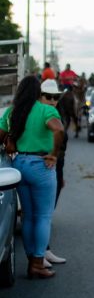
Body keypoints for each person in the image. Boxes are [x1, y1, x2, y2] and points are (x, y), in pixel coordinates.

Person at [0, 75, 64, 279]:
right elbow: (59, 129)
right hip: (40, 166)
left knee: (27, 215)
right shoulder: (46, 110)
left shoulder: (11, 112)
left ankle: (31, 260)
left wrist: (10, 141)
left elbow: (1, 135)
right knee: (43, 216)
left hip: (18, 165)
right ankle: (37, 263)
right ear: (38, 93)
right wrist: (54, 154)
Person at [39, 79, 68, 266]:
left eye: (55, 97)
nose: (52, 100)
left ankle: (45, 250)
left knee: (48, 212)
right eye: (48, 97)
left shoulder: (57, 113)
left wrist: (61, 174)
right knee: (39, 214)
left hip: (57, 166)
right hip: (43, 164)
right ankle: (38, 254)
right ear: (40, 97)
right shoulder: (39, 114)